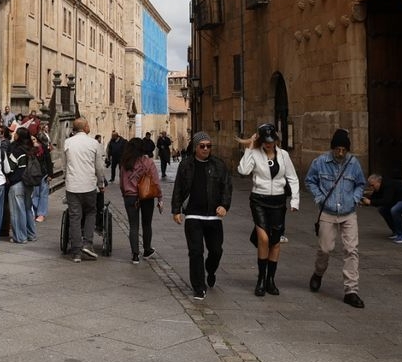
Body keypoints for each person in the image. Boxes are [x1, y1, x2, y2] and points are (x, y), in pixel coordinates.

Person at [305, 129, 367, 309]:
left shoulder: (353, 163)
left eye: (343, 150)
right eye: (337, 149)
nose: (340, 153)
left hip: (348, 212)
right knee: (325, 249)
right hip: (328, 211)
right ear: (332, 148)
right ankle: (318, 273)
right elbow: (310, 181)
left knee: (351, 249)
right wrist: (320, 198)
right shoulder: (320, 162)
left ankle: (351, 290)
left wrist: (355, 199)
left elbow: (360, 183)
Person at [238, 123, 300, 297]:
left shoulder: (284, 155)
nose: (269, 144)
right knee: (263, 238)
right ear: (260, 140)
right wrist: (250, 148)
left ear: (276, 140)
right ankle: (261, 278)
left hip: (279, 201)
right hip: (259, 199)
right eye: (265, 141)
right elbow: (243, 170)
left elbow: (292, 178)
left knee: (275, 240)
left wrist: (295, 200)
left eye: (271, 141)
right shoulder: (255, 154)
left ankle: (270, 280)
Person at [173, 132, 232, 300]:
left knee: (216, 251)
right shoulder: (185, 165)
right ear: (195, 147)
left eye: (209, 146)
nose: (206, 149)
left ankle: (211, 269)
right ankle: (199, 287)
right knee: (195, 252)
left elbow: (227, 187)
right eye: (202, 146)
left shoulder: (219, 165)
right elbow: (178, 188)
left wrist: (224, 205)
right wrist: (176, 210)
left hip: (213, 216)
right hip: (193, 216)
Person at [63, 117, 105, 262]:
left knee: (75, 217)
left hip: (73, 185)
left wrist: (66, 179)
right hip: (88, 185)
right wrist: (101, 183)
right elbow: (99, 167)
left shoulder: (68, 142)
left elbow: (65, 165)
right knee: (90, 212)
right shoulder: (94, 143)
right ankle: (87, 243)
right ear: (85, 126)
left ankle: (76, 252)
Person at [121, 136, 162, 264]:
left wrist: (125, 194)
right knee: (146, 224)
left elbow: (122, 182)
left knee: (133, 226)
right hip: (146, 196)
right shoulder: (148, 162)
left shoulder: (125, 163)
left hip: (130, 196)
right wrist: (160, 198)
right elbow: (155, 181)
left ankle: (135, 255)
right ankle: (147, 249)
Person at [361, 173, 402, 243]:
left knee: (395, 210)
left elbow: (386, 201)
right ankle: (396, 231)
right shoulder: (379, 187)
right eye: (370, 185)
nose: (371, 187)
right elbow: (374, 198)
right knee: (382, 210)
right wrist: (365, 202)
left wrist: (370, 202)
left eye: (372, 185)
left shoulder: (388, 185)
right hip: (398, 201)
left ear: (379, 182)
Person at [6, 127, 37, 244]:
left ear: (19, 136)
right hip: (29, 183)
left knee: (17, 211)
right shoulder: (31, 149)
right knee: (28, 209)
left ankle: (20, 236)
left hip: (17, 183)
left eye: (16, 133)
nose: (14, 135)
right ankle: (31, 234)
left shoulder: (17, 151)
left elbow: (9, 168)